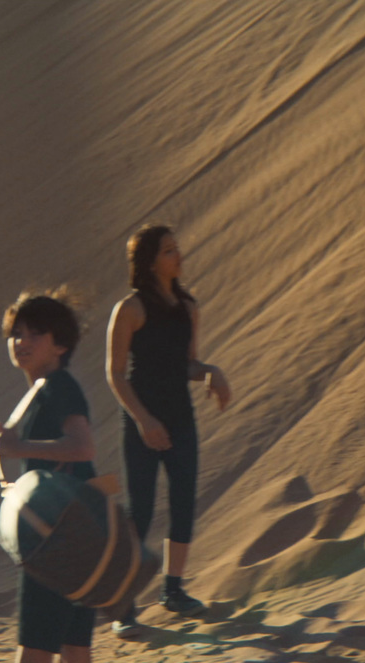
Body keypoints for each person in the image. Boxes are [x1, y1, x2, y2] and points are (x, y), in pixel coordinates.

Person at [106, 225, 232, 636]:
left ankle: (173, 591)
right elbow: (116, 373)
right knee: (140, 513)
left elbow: (187, 364)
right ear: (148, 262)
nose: (178, 256)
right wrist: (144, 421)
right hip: (142, 421)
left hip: (180, 420)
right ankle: (124, 605)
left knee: (183, 504)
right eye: (167, 251)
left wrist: (210, 372)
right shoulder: (130, 309)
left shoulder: (188, 307)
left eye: (176, 248)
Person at [0, 289, 97, 663]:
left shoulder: (58, 387)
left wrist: (19, 449)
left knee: (35, 650)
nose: (22, 342)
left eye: (36, 333)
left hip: (57, 540)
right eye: (16, 333)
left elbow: (82, 447)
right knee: (73, 649)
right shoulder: (41, 392)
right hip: (79, 535)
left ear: (61, 344)